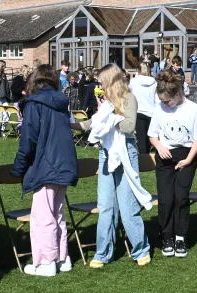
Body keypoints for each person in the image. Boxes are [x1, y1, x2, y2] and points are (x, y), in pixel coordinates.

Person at [71, 64, 151, 268]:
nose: (99, 85)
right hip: (106, 153)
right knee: (106, 204)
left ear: (111, 80)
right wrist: (71, 124)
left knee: (127, 205)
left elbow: (130, 126)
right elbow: (93, 123)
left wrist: (113, 117)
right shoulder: (105, 102)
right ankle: (103, 251)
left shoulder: (128, 98)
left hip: (126, 151)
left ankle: (140, 248)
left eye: (101, 81)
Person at [11, 64, 78, 276]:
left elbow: (28, 140)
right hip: (63, 164)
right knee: (56, 213)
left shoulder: (34, 104)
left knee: (42, 217)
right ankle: (61, 258)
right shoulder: (59, 103)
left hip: (47, 165)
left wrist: (18, 168)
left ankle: (47, 261)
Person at [148, 70, 197, 258]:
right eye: (163, 101)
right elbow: (152, 134)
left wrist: (189, 159)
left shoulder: (193, 109)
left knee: (181, 197)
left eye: (167, 101)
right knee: (165, 199)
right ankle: (167, 237)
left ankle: (180, 237)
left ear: (178, 94)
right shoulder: (159, 108)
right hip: (165, 157)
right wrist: (158, 146)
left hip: (186, 155)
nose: (165, 104)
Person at [129, 62, 158, 154]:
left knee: (141, 137)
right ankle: (147, 155)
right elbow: (156, 98)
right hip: (151, 111)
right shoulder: (154, 82)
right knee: (149, 137)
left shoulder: (133, 81)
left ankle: (144, 158)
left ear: (137, 70)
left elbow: (130, 94)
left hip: (139, 111)